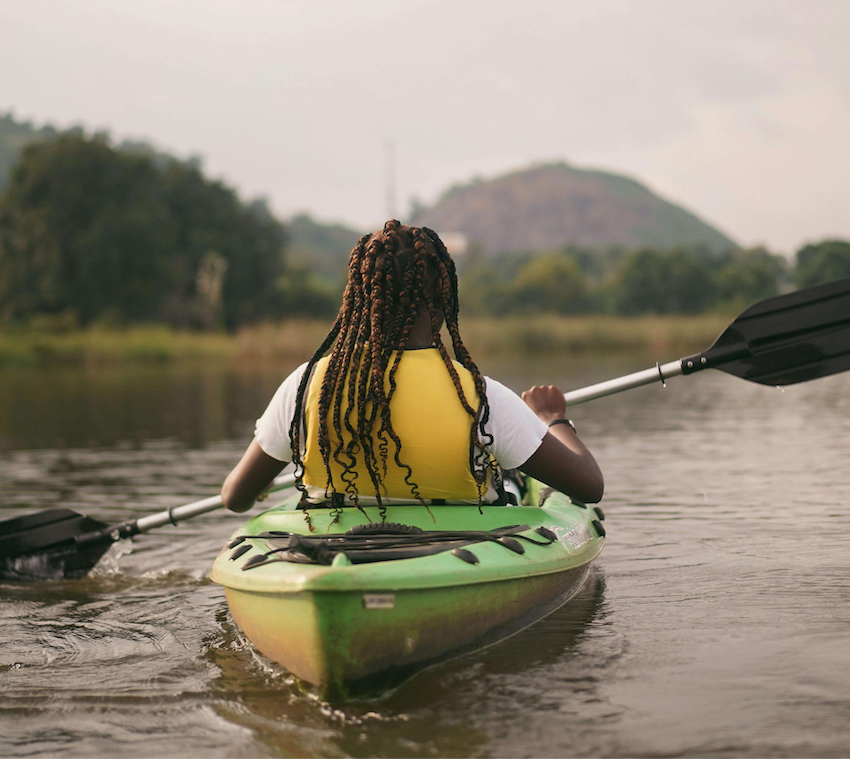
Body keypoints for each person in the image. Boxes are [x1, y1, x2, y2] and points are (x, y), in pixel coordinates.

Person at [221, 221, 603, 518]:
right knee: (510, 478)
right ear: (444, 296)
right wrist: (553, 419)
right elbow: (589, 486)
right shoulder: (481, 398)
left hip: (328, 545)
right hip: (459, 549)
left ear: (359, 297)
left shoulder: (305, 386)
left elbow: (235, 497)